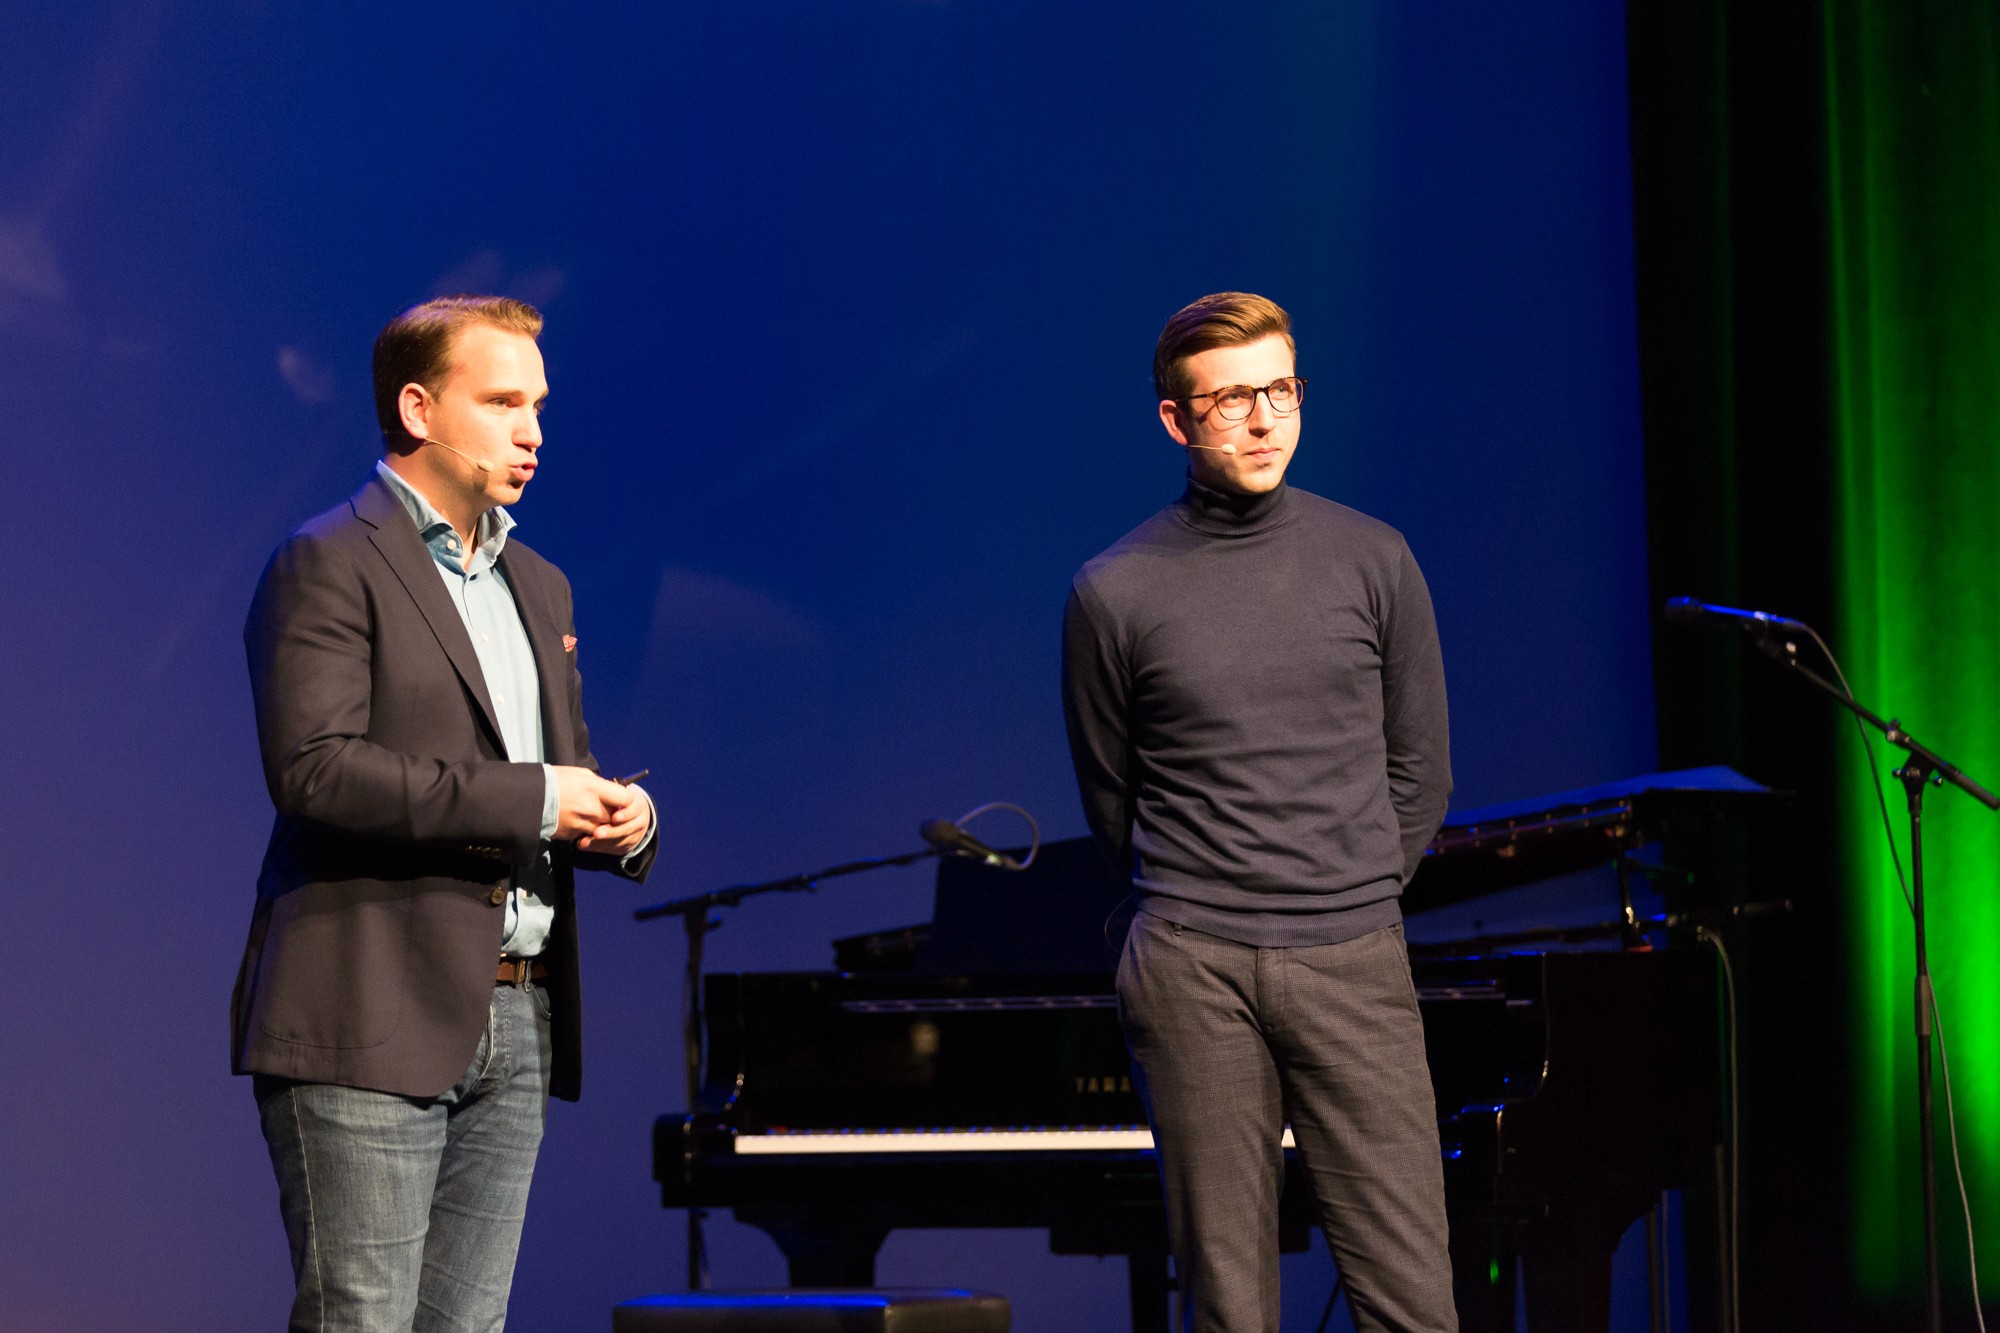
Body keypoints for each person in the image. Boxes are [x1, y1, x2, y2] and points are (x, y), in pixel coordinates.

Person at [233, 295, 658, 1331]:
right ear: (419, 408)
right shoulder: (329, 559)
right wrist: (537, 798)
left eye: (539, 405)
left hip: (515, 1011)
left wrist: (619, 817)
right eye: (503, 400)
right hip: (368, 1007)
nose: (533, 431)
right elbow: (317, 771)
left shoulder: (541, 585)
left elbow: (559, 773)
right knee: (363, 1320)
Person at [1061, 292, 1456, 1332]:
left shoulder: (1373, 559)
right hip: (1194, 965)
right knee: (1230, 1306)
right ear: (1175, 421)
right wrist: (1208, 896)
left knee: (1410, 1297)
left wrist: (1347, 889)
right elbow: (1111, 793)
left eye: (1279, 389)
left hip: (1352, 954)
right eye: (1230, 397)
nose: (1263, 418)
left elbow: (1418, 772)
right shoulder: (1115, 590)